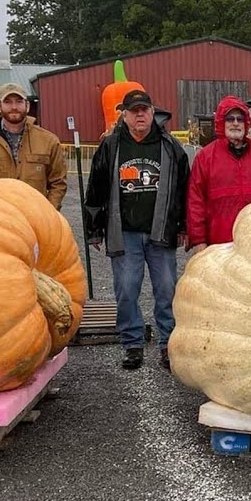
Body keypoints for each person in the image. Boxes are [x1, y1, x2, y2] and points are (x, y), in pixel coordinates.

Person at [82, 90, 190, 371]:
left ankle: (169, 344)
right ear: (124, 115)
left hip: (161, 232)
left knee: (167, 290)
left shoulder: (170, 146)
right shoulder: (111, 145)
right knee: (127, 290)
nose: (139, 115)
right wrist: (94, 228)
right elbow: (96, 187)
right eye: (134, 110)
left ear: (153, 112)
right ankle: (132, 343)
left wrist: (183, 226)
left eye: (144, 109)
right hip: (125, 232)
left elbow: (184, 190)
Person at [186, 95, 251, 252]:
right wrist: (198, 241)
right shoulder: (205, 157)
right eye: (230, 119)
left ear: (246, 123)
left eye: (240, 119)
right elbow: (195, 202)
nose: (235, 123)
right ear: (221, 123)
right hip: (219, 246)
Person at [0, 83, 68, 208]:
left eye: (19, 101)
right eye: (7, 102)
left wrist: (48, 211)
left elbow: (58, 183)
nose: (14, 107)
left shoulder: (48, 141)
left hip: (35, 218)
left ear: (27, 105)